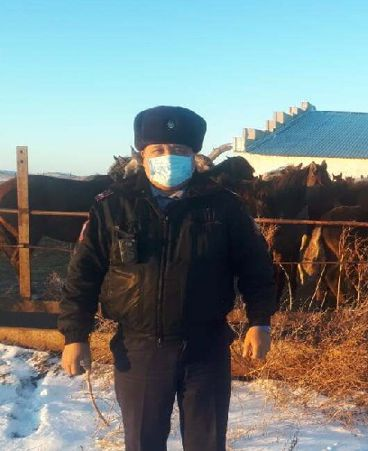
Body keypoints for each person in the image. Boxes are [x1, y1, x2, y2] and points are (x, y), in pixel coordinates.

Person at [58, 106, 276, 451]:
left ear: (194, 156)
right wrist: (75, 334)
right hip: (139, 348)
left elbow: (257, 268)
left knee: (207, 443)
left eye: (179, 150)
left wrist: (259, 321)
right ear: (141, 155)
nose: (168, 157)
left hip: (206, 348)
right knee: (143, 442)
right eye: (158, 150)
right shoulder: (112, 206)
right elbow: (82, 274)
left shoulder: (224, 207)